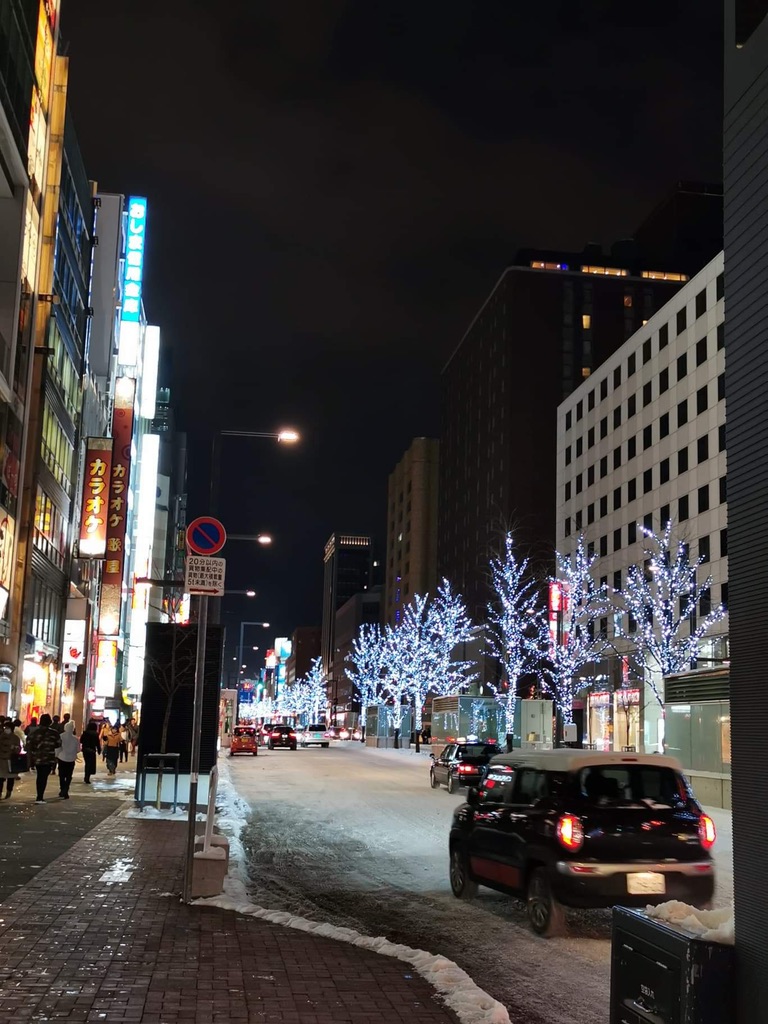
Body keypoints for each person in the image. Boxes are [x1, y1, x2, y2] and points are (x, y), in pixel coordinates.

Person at [25, 713, 61, 803]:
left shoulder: (34, 733)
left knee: (40, 776)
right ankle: (40, 796)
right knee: (43, 777)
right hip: (49, 758)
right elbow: (58, 744)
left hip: (37, 758)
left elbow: (28, 745)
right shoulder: (54, 733)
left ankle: (39, 795)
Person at [56, 720, 80, 799]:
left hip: (61, 758)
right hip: (71, 759)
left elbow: (57, 748)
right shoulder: (76, 739)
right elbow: (78, 750)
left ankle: (62, 789)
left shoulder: (60, 736)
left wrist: (56, 755)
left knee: (61, 775)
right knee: (69, 776)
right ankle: (66, 790)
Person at [0, 719, 21, 799]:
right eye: (5, 728)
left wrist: (15, 748)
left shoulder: (15, 738)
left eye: (7, 728)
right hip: (1, 760)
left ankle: (9, 791)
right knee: (0, 778)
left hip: (10, 760)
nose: (6, 729)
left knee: (10, 777)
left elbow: (18, 749)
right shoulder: (1, 737)